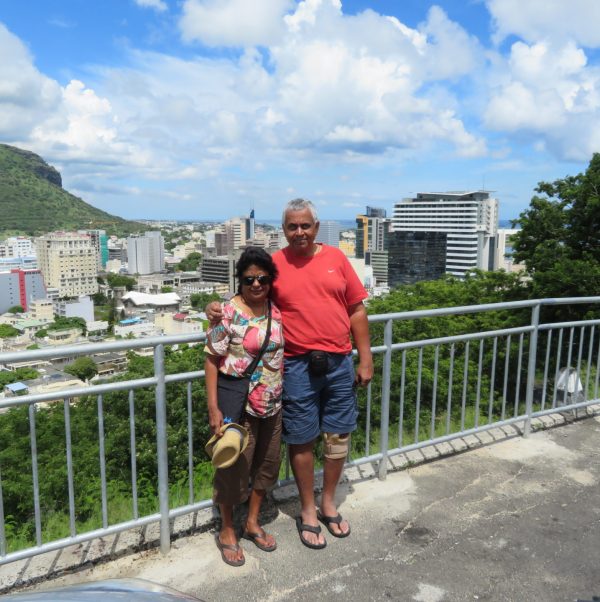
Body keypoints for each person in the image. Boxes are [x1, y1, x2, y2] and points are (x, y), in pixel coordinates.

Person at [207, 198, 373, 550]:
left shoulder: (336, 259)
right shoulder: (276, 265)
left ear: (316, 226)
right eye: (292, 226)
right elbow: (250, 293)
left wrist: (365, 358)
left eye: (305, 225)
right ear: (283, 230)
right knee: (300, 438)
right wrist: (214, 308)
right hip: (296, 364)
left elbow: (356, 310)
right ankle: (309, 511)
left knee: (338, 435)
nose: (299, 232)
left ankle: (329, 502)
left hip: (339, 361)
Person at [204, 247, 284, 566]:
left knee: (266, 464)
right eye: (249, 278)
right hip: (238, 404)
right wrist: (213, 407)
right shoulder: (228, 312)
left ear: (270, 280)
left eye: (262, 278)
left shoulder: (275, 310)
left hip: (273, 402)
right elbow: (212, 359)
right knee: (232, 467)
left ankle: (251, 522)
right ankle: (226, 529)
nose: (255, 284)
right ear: (240, 280)